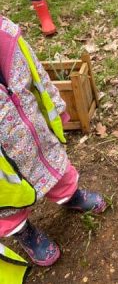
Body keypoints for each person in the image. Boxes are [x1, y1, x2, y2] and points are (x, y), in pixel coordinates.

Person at [0, 15, 106, 267]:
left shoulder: (7, 34)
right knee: (8, 202)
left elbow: (37, 74)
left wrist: (57, 107)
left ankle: (70, 196)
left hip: (35, 135)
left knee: (58, 168)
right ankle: (23, 231)